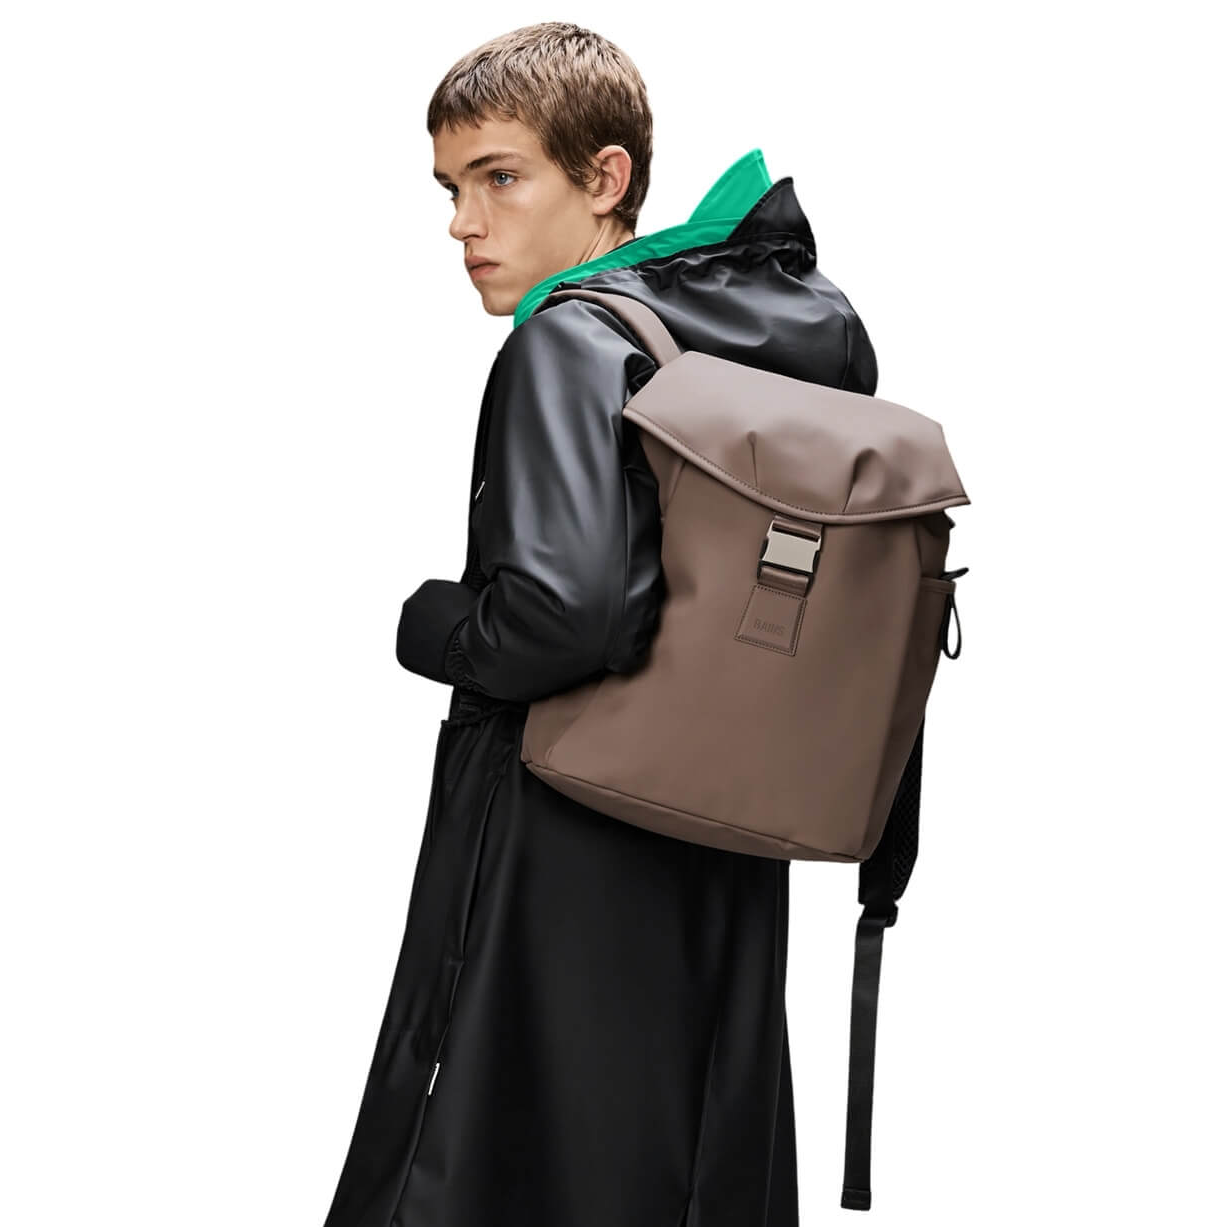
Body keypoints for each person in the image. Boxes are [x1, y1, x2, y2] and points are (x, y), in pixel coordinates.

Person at [321, 21, 878, 1227]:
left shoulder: (569, 340)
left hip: (558, 833)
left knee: (493, 1155)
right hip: (729, 823)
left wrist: (435, 627)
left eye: (499, 178)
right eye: (450, 189)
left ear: (606, 177)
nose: (464, 224)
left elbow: (566, 618)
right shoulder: (776, 332)